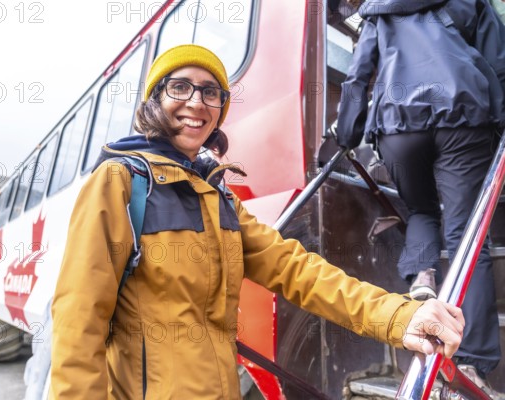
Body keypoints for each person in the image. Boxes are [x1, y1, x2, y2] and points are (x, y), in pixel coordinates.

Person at [50, 44, 465, 399]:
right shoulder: (121, 181)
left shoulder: (217, 196)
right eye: (180, 87)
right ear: (154, 100)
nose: (196, 102)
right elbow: (78, 321)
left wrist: (396, 315)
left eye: (211, 92)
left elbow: (297, 270)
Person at [336, 0, 505, 396]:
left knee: (421, 210)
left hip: (399, 123)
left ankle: (423, 276)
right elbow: (497, 60)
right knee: (468, 234)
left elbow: (358, 76)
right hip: (464, 116)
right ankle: (472, 362)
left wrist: (347, 136)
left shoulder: (378, 9)